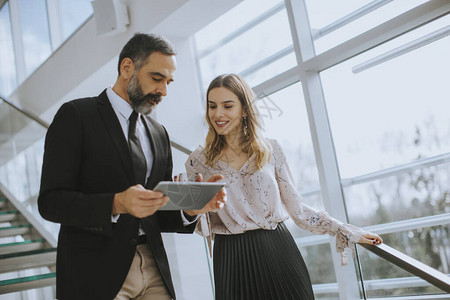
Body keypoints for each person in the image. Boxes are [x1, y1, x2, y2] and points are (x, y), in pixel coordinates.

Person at [38, 33, 225, 300]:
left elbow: (157, 211)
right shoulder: (76, 116)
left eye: (168, 82)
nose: (163, 91)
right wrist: (116, 203)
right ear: (127, 68)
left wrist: (190, 208)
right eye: (157, 78)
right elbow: (50, 202)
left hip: (153, 266)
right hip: (95, 271)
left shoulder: (159, 132)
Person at [185, 74, 383, 300]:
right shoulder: (198, 162)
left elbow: (298, 209)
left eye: (227, 106)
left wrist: (346, 231)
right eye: (212, 106)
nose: (217, 114)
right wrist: (192, 206)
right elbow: (202, 226)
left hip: (277, 250)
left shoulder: (270, 150)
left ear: (244, 109)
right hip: (231, 257)